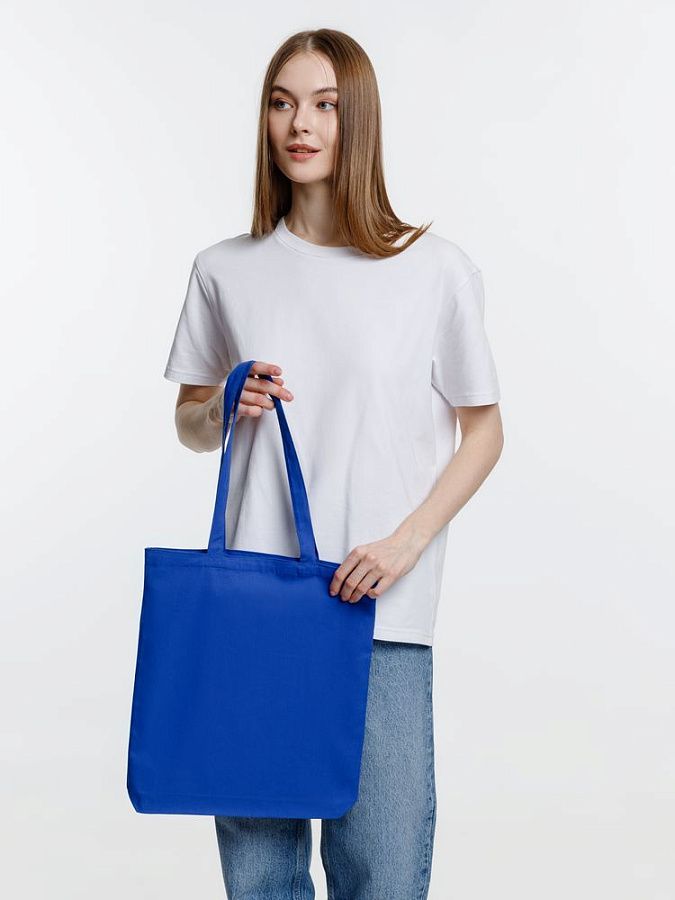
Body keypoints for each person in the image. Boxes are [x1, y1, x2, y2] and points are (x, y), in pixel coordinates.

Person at [162, 27, 504, 900]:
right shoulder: (224, 270)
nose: (299, 125)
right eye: (281, 103)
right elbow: (191, 426)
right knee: (261, 880)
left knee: (382, 875)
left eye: (324, 104)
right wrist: (222, 404)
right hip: (254, 604)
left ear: (360, 120)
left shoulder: (433, 270)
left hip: (377, 603)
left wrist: (405, 542)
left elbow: (484, 431)